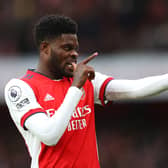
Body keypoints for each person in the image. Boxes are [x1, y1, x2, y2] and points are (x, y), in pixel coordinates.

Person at [4, 15, 168, 168]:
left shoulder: (83, 80)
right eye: (67, 48)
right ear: (45, 48)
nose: (74, 54)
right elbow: (50, 135)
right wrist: (76, 88)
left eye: (75, 48)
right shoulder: (20, 88)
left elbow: (135, 89)